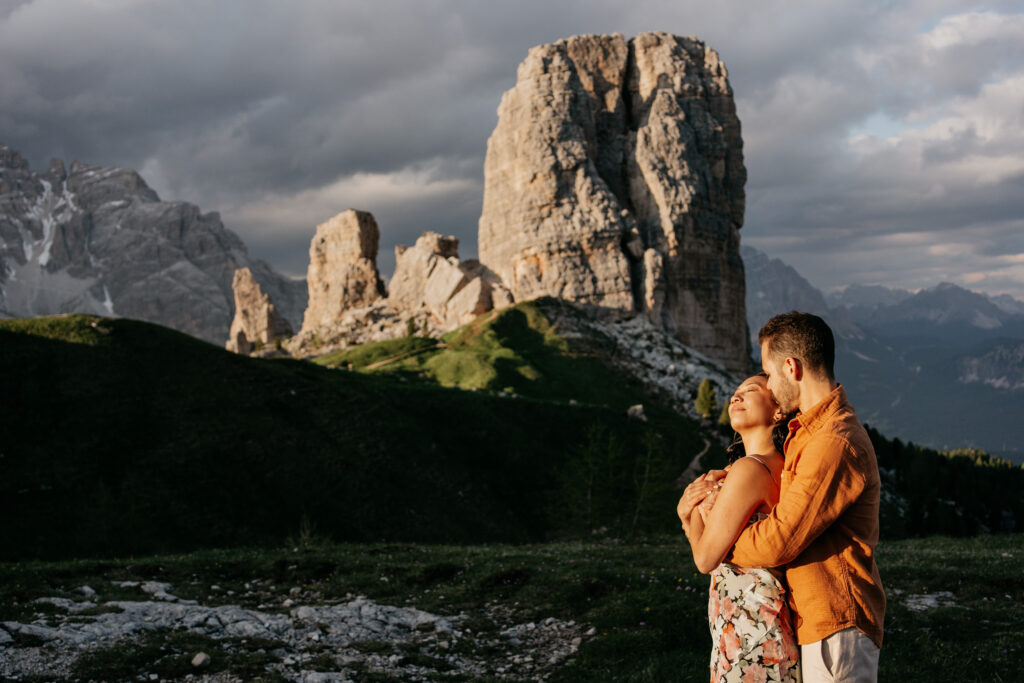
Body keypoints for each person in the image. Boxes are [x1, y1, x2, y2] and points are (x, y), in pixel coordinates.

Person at [705, 312, 886, 683]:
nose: (768, 384)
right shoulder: (807, 433)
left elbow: (781, 538)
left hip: (837, 622)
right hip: (816, 621)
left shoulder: (833, 442)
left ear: (791, 367)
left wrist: (720, 542)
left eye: (768, 373)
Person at [677, 374, 801, 682]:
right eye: (735, 392)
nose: (736, 397)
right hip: (752, 628)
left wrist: (685, 516)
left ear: (778, 411)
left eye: (751, 390)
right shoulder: (770, 465)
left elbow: (706, 560)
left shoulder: (749, 469)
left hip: (751, 635)